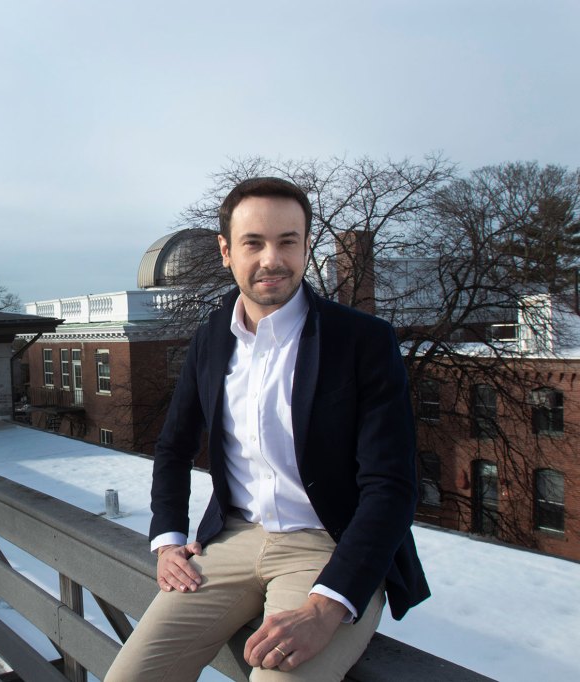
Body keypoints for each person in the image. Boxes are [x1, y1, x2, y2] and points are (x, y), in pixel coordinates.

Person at [105, 177, 429, 681]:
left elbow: (391, 486)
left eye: (287, 241)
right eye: (253, 242)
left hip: (328, 548)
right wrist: (168, 540)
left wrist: (326, 607)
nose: (271, 259)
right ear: (226, 251)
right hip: (230, 543)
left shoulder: (362, 341)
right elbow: (173, 446)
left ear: (305, 246)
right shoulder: (212, 337)